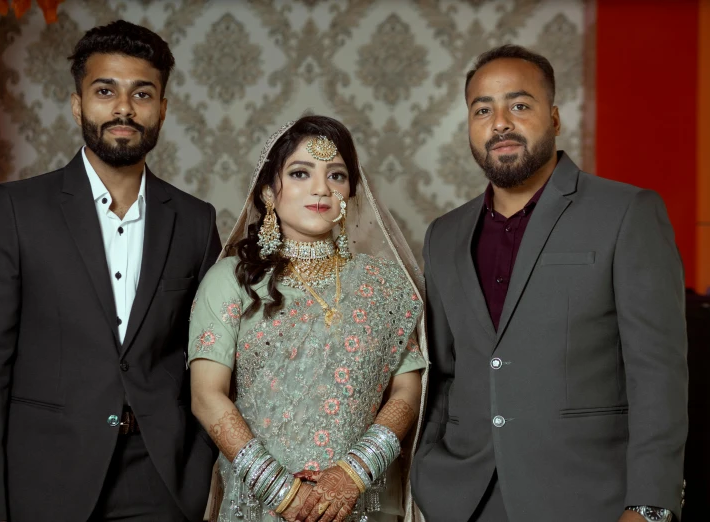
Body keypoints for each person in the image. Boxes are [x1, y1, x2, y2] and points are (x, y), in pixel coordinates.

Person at [0, 20, 220, 521]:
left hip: (157, 481)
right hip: (42, 478)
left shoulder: (195, 220)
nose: (124, 108)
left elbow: (209, 356)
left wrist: (194, 469)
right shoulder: (18, 211)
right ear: (78, 104)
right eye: (105, 91)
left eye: (142, 94)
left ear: (163, 108)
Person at [411, 44, 688, 522]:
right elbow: (442, 372)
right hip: (463, 500)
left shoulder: (626, 213)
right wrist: (427, 473)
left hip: (588, 498)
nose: (500, 123)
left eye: (519, 105)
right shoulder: (444, 235)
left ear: (555, 118)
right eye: (483, 109)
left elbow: (658, 374)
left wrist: (649, 504)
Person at [188, 116, 428, 522]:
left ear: (351, 192)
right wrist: (283, 492)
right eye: (300, 173)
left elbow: (408, 390)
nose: (322, 188)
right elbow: (206, 396)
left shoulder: (387, 286)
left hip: (361, 502)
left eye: (337, 175)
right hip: (261, 504)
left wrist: (353, 474)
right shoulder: (231, 279)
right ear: (268, 191)